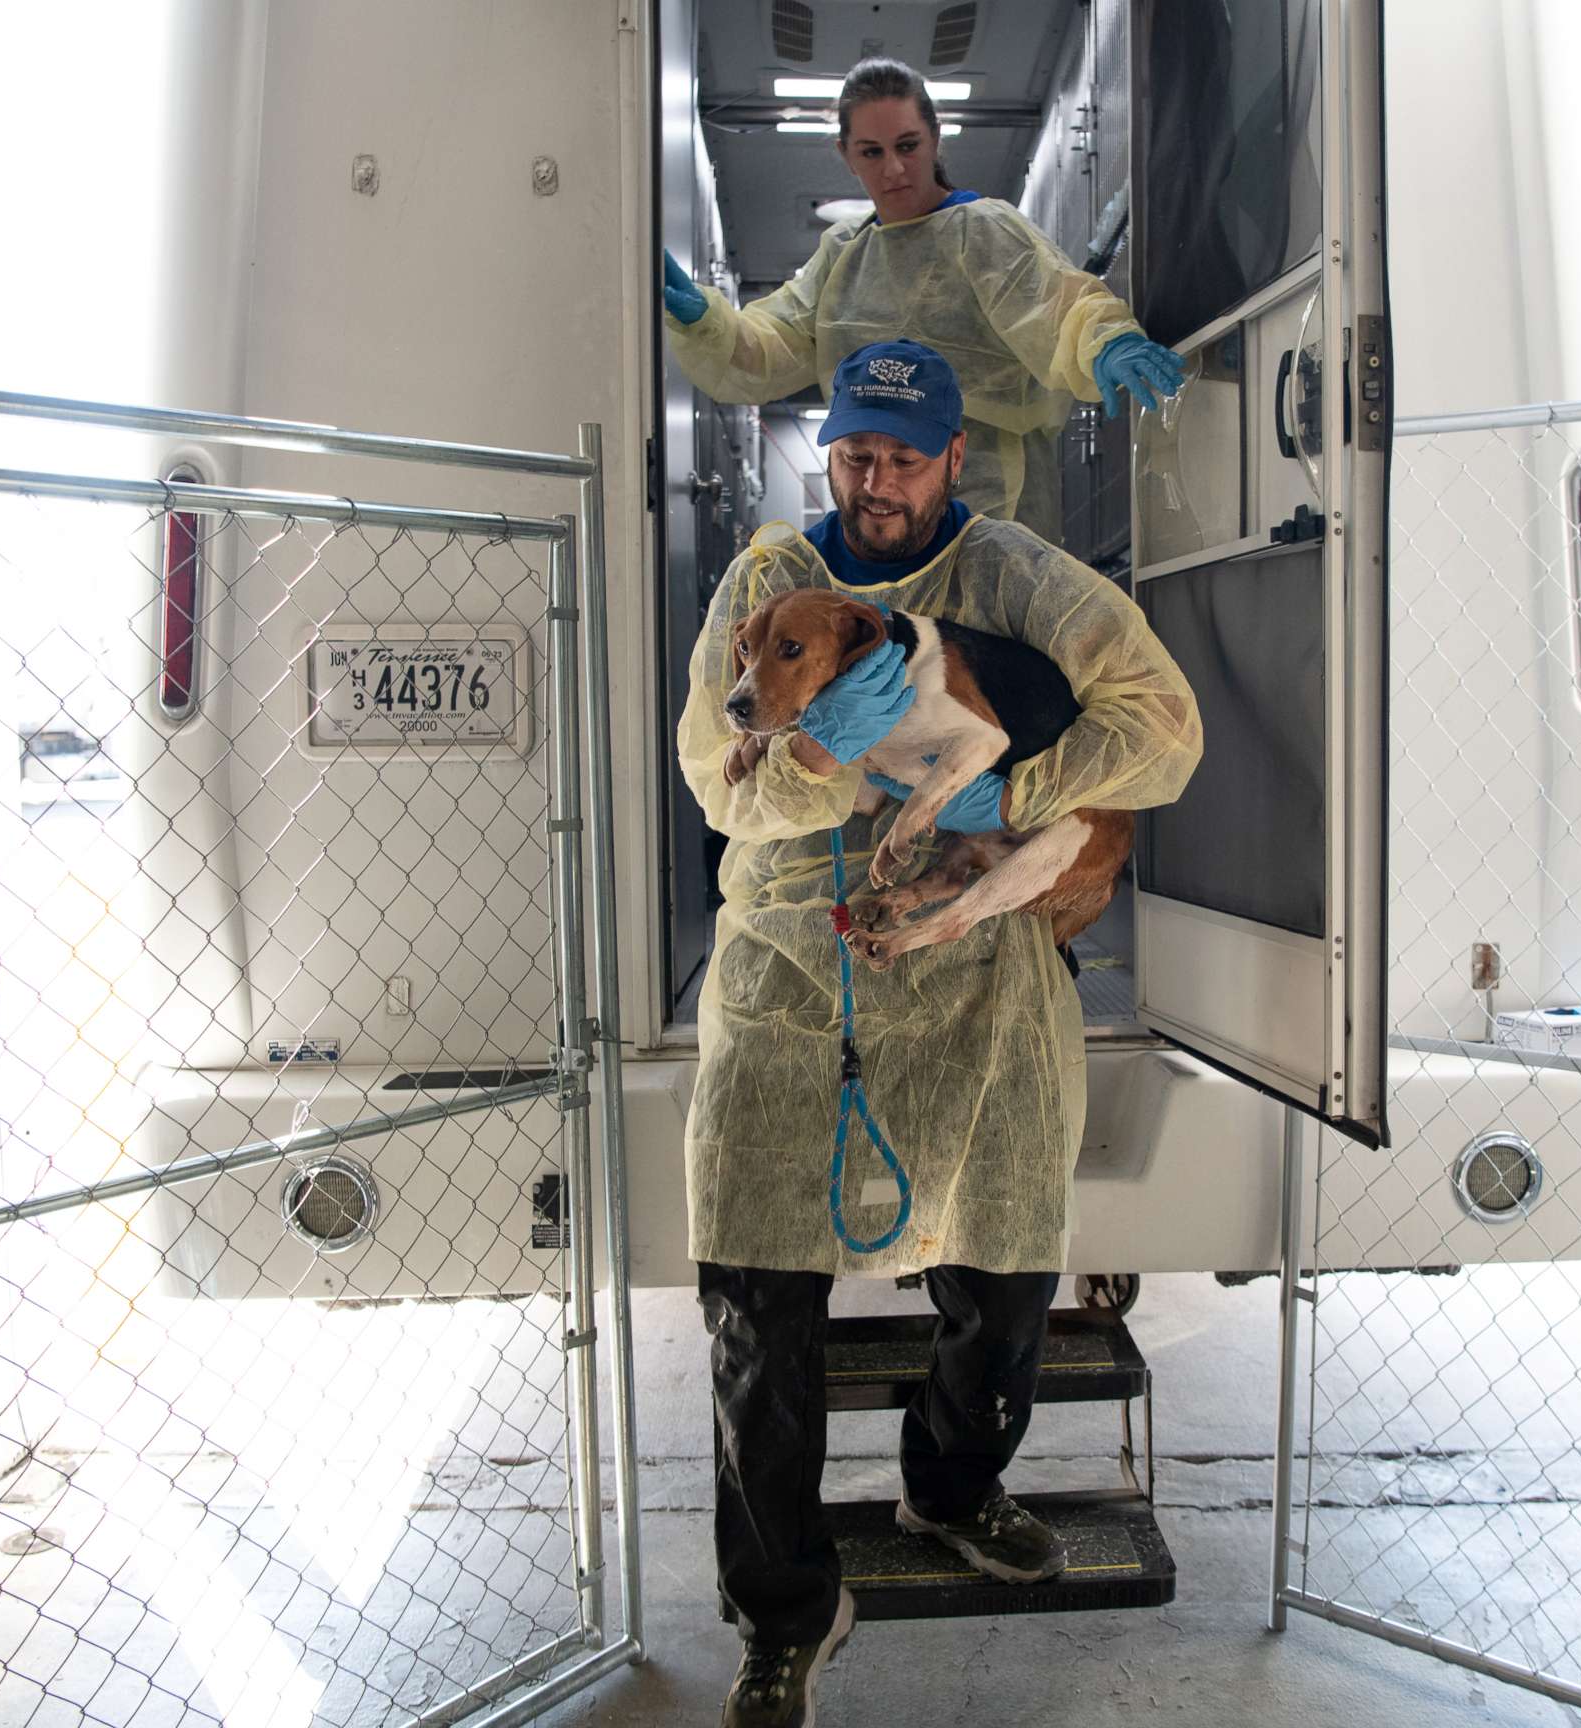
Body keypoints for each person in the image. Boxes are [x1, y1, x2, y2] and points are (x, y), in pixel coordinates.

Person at [676, 339, 1202, 1728]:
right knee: (753, 1298)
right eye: (855, 452)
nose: (878, 481)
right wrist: (814, 761)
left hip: (978, 973)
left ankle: (953, 1488)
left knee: (1010, 1276)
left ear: (954, 457)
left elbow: (1164, 725)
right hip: (791, 980)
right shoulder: (767, 585)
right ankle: (787, 1609)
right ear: (826, 451)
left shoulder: (1019, 577)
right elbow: (707, 776)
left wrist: (1009, 789)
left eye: (905, 458)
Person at [660, 57, 1185, 548]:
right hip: (878, 519)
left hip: (989, 510)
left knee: (983, 641)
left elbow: (1055, 301)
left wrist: (1105, 340)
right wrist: (708, 323)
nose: (893, 169)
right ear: (846, 155)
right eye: (872, 152)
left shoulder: (982, 230)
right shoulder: (843, 254)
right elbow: (772, 345)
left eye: (908, 146)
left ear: (934, 139)